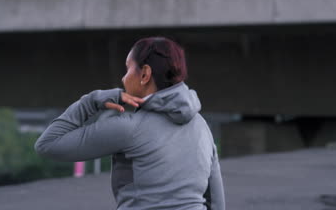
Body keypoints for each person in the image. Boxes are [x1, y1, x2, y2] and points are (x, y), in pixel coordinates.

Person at [34, 37, 225, 210]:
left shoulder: (129, 127)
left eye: (127, 69)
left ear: (145, 74)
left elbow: (48, 144)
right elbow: (216, 202)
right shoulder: (202, 127)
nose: (123, 78)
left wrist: (92, 101)